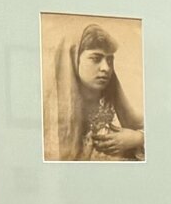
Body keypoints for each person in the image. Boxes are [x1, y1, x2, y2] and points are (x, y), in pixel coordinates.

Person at [43, 23, 144, 162]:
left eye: (110, 60)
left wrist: (138, 138)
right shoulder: (47, 111)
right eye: (96, 59)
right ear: (74, 59)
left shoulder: (113, 104)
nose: (106, 68)